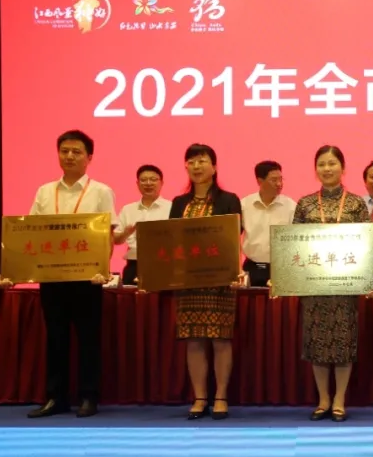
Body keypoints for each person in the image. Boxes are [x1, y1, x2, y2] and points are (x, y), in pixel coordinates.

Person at [0, 130, 116, 419]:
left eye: (77, 151)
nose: (70, 156)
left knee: (88, 339)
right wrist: (12, 272)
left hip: (86, 278)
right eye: (65, 151)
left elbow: (107, 236)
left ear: (89, 157)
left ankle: (89, 396)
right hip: (51, 278)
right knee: (55, 338)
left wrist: (102, 269)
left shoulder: (101, 191)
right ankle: (56, 397)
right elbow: (29, 234)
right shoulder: (45, 191)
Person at [294, 145, 371, 423]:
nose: (327, 169)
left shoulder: (356, 204)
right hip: (314, 284)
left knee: (343, 341)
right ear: (315, 169)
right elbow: (293, 245)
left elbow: (366, 243)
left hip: (345, 284)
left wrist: (367, 280)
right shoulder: (304, 204)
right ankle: (323, 399)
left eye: (332, 163)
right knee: (316, 341)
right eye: (322, 164)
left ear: (343, 168)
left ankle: (339, 400)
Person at [168, 144, 243, 421]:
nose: (196, 166)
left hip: (219, 280)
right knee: (194, 340)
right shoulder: (179, 203)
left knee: (220, 339)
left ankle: (220, 396)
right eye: (191, 161)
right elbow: (171, 239)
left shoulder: (228, 200)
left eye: (202, 161)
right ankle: (200, 397)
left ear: (214, 166)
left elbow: (233, 236)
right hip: (189, 282)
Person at [241, 160, 296, 288]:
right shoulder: (244, 205)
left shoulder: (291, 207)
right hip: (252, 267)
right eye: (273, 180)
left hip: (281, 268)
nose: (279, 184)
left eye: (281, 179)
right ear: (260, 181)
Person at [114, 164, 171, 286]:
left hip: (164, 263)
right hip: (134, 265)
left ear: (162, 183)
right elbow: (116, 239)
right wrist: (125, 233)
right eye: (143, 180)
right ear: (137, 183)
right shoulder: (128, 209)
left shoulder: (171, 207)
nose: (148, 183)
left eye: (153, 179)